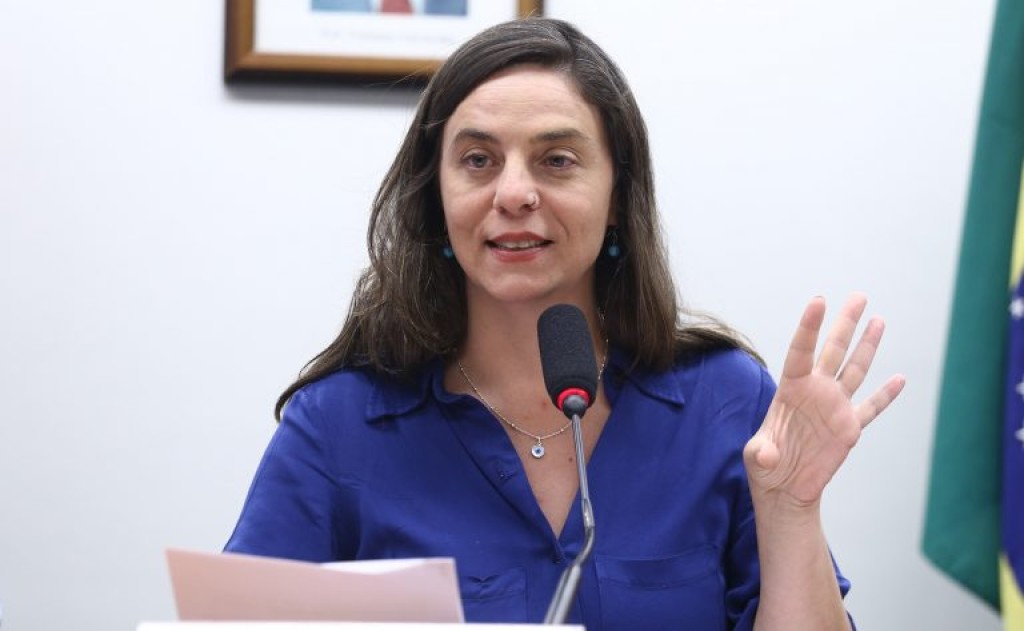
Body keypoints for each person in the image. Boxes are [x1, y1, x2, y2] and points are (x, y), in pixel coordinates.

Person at [225, 17, 905, 629]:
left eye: (556, 160)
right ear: (436, 198)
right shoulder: (337, 424)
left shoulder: (726, 399)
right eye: (478, 160)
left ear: (617, 197)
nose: (514, 193)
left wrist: (790, 510)